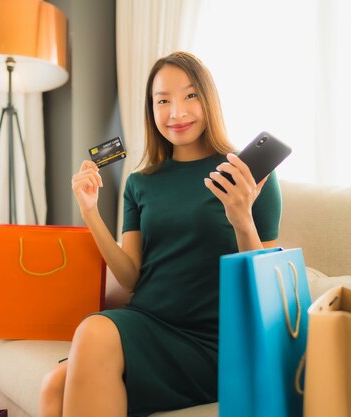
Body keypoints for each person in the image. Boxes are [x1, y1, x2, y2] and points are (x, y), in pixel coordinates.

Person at [38, 51, 282, 417]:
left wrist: (241, 217)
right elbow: (131, 276)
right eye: (162, 101)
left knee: (92, 332)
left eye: (189, 96)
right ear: (151, 110)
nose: (176, 113)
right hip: (149, 320)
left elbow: (266, 290)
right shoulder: (140, 183)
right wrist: (90, 212)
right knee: (53, 386)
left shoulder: (245, 174)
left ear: (208, 99)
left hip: (213, 339)